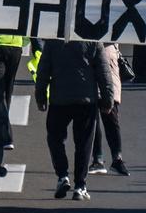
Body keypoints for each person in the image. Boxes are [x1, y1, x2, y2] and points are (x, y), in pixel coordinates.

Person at [35, 38, 113, 200]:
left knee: (55, 139)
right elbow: (104, 72)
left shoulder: (53, 41)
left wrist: (41, 96)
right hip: (86, 100)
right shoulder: (93, 40)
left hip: (59, 99)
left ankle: (62, 175)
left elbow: (43, 69)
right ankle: (80, 185)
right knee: (83, 144)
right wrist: (108, 99)